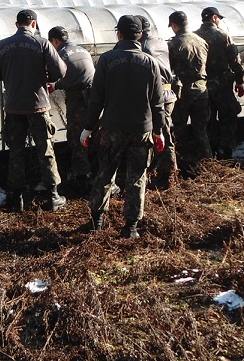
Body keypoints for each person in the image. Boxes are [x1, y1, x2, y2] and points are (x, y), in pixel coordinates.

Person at [81, 15, 165, 239]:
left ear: (119, 34)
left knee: (105, 172)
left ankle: (97, 220)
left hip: (112, 128)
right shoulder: (150, 63)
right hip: (142, 129)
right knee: (137, 177)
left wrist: (88, 128)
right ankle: (131, 227)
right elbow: (158, 102)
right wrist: (159, 131)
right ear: (140, 35)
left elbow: (96, 99)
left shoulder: (107, 60)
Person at [0, 9, 67, 212]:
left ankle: (17, 198)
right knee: (45, 149)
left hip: (14, 106)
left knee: (16, 151)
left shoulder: (2, 45)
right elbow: (60, 71)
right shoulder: (42, 44)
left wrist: (12, 75)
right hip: (38, 105)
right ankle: (53, 195)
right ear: (34, 24)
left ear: (17, 24)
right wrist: (43, 75)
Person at [47, 26, 95, 196]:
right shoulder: (82, 49)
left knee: (77, 137)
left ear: (54, 41)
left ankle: (82, 180)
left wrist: (55, 85)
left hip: (78, 99)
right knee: (96, 134)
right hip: (95, 97)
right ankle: (100, 175)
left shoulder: (60, 55)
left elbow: (62, 75)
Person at [194, 7, 244, 160]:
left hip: (202, 86)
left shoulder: (194, 37)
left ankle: (212, 151)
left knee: (208, 119)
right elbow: (235, 60)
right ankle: (228, 152)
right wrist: (240, 81)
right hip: (222, 84)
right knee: (228, 117)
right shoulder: (223, 36)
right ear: (214, 18)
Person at [167, 10, 211, 174]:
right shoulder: (201, 40)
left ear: (174, 25)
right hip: (201, 88)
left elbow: (169, 68)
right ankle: (207, 163)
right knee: (201, 130)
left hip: (183, 91)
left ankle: (183, 164)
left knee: (180, 128)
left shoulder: (174, 44)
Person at [137, 15, 178, 188]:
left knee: (162, 133)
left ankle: (167, 175)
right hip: (169, 92)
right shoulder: (160, 42)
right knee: (164, 132)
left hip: (157, 94)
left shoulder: (143, 47)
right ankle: (162, 169)